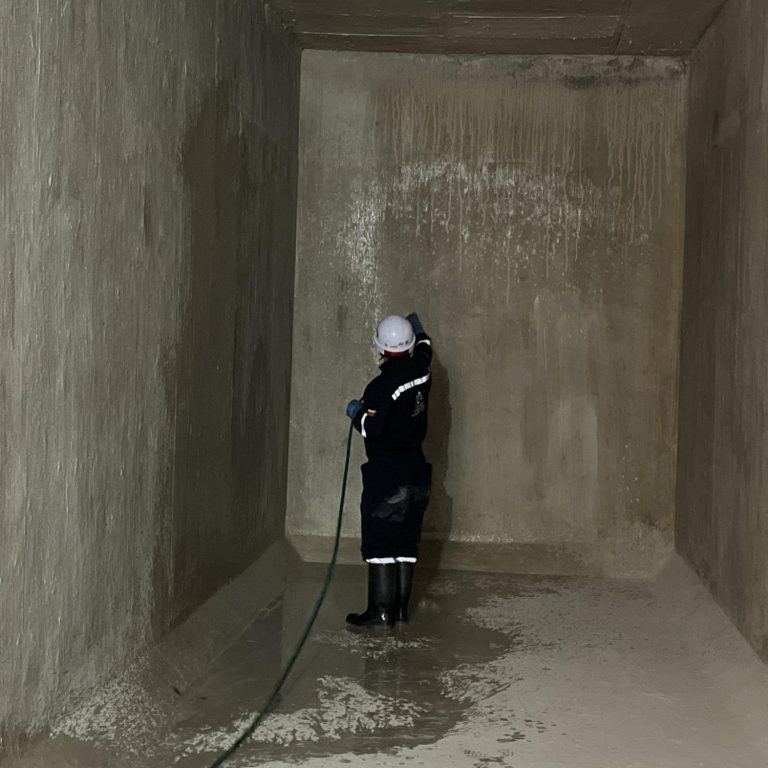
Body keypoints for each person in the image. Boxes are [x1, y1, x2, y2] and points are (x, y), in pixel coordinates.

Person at [345, 312, 433, 628]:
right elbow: (426, 346)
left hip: (388, 476)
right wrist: (418, 328)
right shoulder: (422, 369)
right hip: (417, 472)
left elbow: (373, 429)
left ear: (380, 347)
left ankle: (380, 614)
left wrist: (356, 413)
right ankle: (400, 612)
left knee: (381, 543)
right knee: (406, 544)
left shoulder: (380, 387)